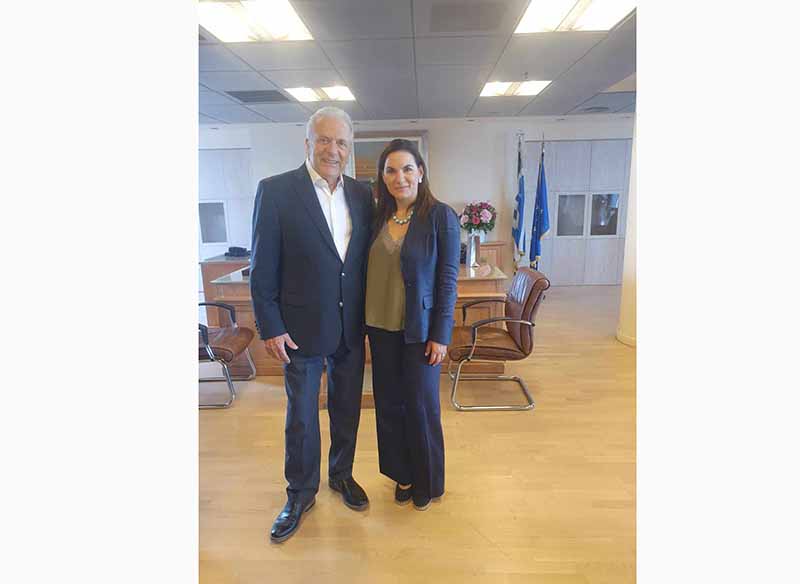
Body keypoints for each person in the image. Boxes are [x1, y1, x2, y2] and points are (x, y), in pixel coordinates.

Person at [250, 107, 374, 543]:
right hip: (299, 328)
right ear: (307, 143)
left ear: (349, 148)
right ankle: (300, 493)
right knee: (302, 416)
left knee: (347, 408)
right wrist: (270, 326)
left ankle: (341, 474)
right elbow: (262, 266)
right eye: (324, 140)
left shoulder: (362, 195)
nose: (332, 150)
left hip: (350, 325)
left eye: (341, 142)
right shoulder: (276, 191)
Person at [364, 139, 460, 511]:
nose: (399, 177)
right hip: (380, 327)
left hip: (420, 331)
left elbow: (447, 280)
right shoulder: (377, 217)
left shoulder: (440, 216)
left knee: (421, 406)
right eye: (390, 170)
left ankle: (427, 480)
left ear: (420, 172)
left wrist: (441, 334)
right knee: (389, 405)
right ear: (382, 177)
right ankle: (401, 474)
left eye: (407, 169)